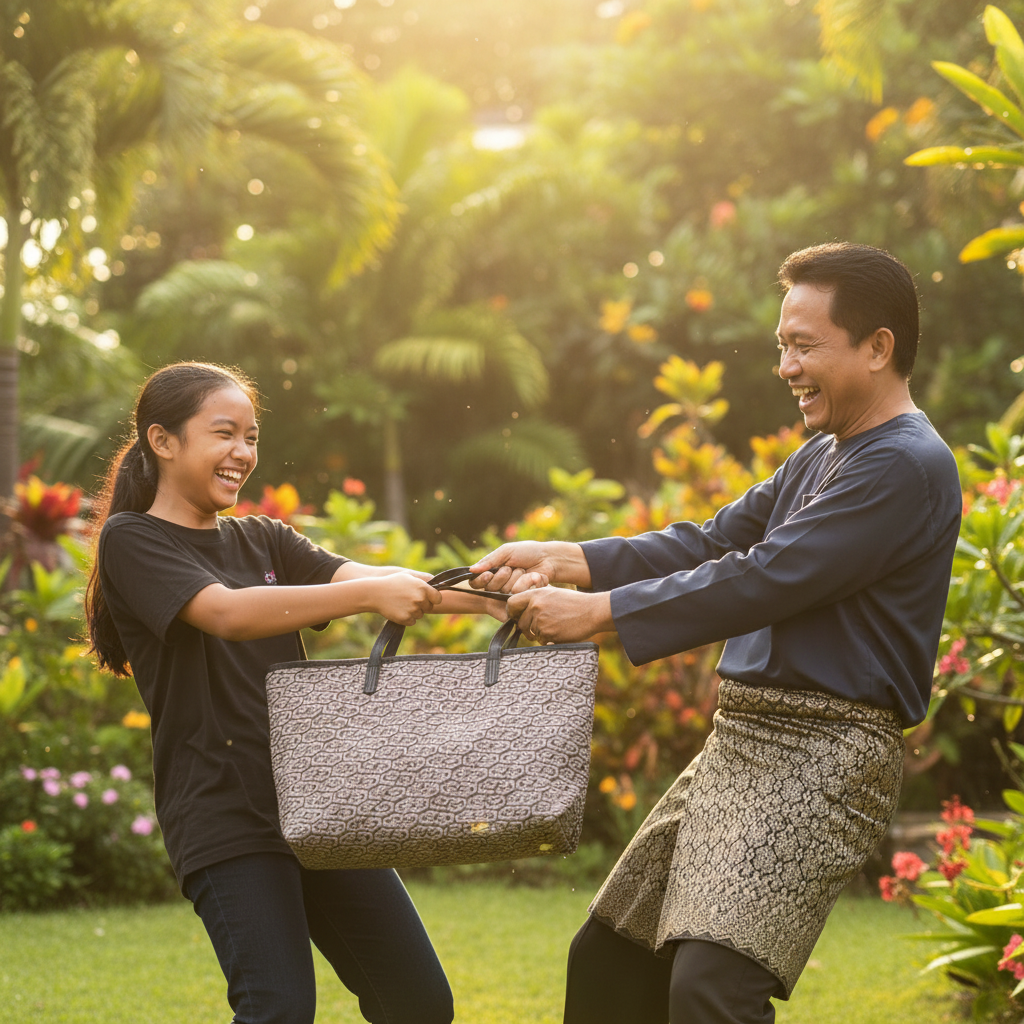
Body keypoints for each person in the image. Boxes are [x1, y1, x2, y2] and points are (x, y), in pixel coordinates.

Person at [470, 242, 963, 1024]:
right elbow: (714, 541)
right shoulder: (822, 455)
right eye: (781, 346)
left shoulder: (906, 465)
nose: (786, 367)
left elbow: (767, 574)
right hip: (740, 744)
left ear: (878, 348)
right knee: (607, 960)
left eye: (805, 346)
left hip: (825, 756)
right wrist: (565, 558)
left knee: (713, 987)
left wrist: (598, 615)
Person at [84, 361, 498, 1024]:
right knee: (277, 1009)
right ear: (163, 441)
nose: (243, 453)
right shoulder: (132, 539)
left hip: (315, 805)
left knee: (418, 1001)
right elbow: (225, 612)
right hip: (224, 813)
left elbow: (380, 576)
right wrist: (367, 594)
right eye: (225, 434)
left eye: (251, 437)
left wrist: (495, 603)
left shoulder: (262, 538)